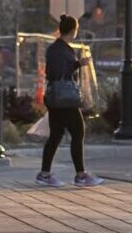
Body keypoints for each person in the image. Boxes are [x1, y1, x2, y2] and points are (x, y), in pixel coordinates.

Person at [36, 14, 103, 188]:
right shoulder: (63, 50)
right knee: (78, 132)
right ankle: (80, 175)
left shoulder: (55, 48)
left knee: (56, 135)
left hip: (55, 98)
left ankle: (44, 174)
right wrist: (78, 64)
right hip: (64, 98)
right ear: (73, 31)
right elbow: (59, 72)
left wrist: (76, 64)